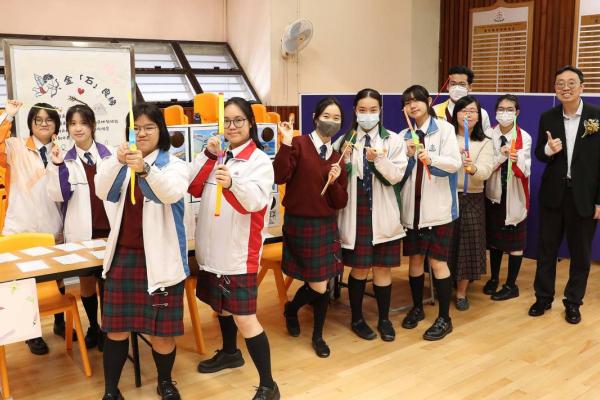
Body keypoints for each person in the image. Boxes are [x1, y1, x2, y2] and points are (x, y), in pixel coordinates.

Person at [95, 103, 189, 400]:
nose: (142, 133)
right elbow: (102, 190)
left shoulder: (175, 165)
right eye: (135, 128)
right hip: (124, 256)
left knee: (162, 332)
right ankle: (111, 391)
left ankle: (165, 382)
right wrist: (118, 162)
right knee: (116, 330)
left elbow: (169, 193)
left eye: (149, 127)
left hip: (160, 260)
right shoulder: (119, 162)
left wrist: (145, 170)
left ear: (161, 131)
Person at [189, 97, 279, 400]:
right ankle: (230, 353)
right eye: (227, 121)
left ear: (250, 123)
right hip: (212, 251)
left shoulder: (259, 161)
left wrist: (231, 184)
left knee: (245, 318)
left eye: (238, 120)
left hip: (239, 254)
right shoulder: (218, 155)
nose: (232, 126)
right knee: (220, 307)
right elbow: (191, 185)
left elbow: (255, 201)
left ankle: (268, 384)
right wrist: (207, 154)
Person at [274, 96, 348, 358]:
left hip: (326, 225)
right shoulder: (298, 144)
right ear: (315, 118)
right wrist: (285, 143)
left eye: (336, 118)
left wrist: (335, 182)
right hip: (299, 223)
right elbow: (279, 176)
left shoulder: (338, 157)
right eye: (326, 116)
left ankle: (315, 333)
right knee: (318, 284)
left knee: (321, 284)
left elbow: (340, 201)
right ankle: (293, 311)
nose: (331, 122)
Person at [334, 88, 407, 341]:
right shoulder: (344, 141)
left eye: (373, 110)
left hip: (383, 210)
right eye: (362, 110)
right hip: (356, 210)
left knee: (383, 269)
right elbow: (335, 178)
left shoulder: (393, 140)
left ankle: (384, 320)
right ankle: (357, 319)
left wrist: (379, 161)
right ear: (355, 111)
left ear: (380, 111)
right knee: (359, 268)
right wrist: (343, 163)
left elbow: (396, 176)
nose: (367, 115)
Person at [529, 65, 600, 324]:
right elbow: (539, 154)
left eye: (571, 83)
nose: (565, 87)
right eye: (560, 83)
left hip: (584, 196)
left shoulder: (596, 117)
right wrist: (548, 150)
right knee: (546, 250)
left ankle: (573, 302)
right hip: (553, 194)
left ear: (582, 87)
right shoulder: (548, 117)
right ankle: (543, 297)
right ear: (555, 88)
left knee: (581, 254)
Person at [47, 104, 114, 350]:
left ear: (92, 126)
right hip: (82, 232)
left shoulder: (110, 155)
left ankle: (108, 329)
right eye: (72, 124)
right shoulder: (63, 159)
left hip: (109, 230)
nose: (78, 128)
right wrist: (56, 166)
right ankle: (94, 327)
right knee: (86, 283)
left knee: (107, 283)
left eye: (83, 123)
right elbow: (58, 194)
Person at [0, 100, 64, 355]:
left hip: (52, 226)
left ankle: (60, 323)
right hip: (21, 227)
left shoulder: (61, 150)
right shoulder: (15, 147)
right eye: (38, 119)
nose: (44, 124)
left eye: (49, 120)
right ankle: (31, 334)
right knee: (25, 282)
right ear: (30, 123)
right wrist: (8, 116)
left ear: (56, 125)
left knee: (57, 276)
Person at [399, 85, 461, 340]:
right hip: (412, 210)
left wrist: (431, 158)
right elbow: (398, 174)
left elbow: (455, 163)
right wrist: (408, 156)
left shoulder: (445, 129)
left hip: (438, 210)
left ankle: (445, 318)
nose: (412, 105)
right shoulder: (404, 135)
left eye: (416, 100)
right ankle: (417, 308)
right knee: (414, 260)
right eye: (407, 102)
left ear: (428, 102)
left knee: (437, 263)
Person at [447, 96, 493, 311]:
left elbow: (485, 171)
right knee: (447, 243)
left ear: (479, 115)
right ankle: (444, 284)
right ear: (456, 113)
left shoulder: (485, 142)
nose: (468, 115)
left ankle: (462, 292)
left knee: (468, 245)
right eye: (463, 110)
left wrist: (472, 168)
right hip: (447, 196)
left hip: (472, 198)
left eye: (473, 111)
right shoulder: (446, 138)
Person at [484, 94, 531, 301]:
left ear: (517, 113)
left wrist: (516, 157)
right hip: (494, 195)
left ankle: (511, 284)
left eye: (509, 109)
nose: (505, 113)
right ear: (495, 112)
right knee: (494, 241)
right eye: (501, 109)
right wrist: (501, 156)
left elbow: (526, 169)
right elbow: (486, 166)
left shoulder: (524, 137)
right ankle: (494, 278)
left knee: (515, 243)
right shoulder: (488, 134)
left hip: (515, 195)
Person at [433, 65, 491, 131]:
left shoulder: (481, 113)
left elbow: (486, 136)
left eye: (462, 84)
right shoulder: (435, 111)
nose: (457, 88)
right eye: (453, 84)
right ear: (448, 86)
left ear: (470, 87)